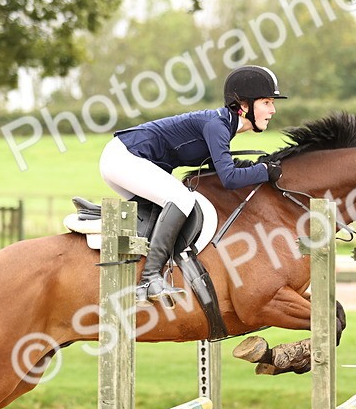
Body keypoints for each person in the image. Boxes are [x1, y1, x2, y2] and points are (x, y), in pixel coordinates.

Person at [99, 65, 288, 304]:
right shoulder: (217, 126)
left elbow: (220, 166)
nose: (273, 110)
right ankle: (149, 279)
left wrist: (257, 166)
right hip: (124, 157)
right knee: (182, 198)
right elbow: (229, 178)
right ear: (244, 106)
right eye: (266, 102)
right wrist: (263, 171)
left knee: (163, 210)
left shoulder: (223, 125)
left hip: (122, 158)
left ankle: (143, 275)